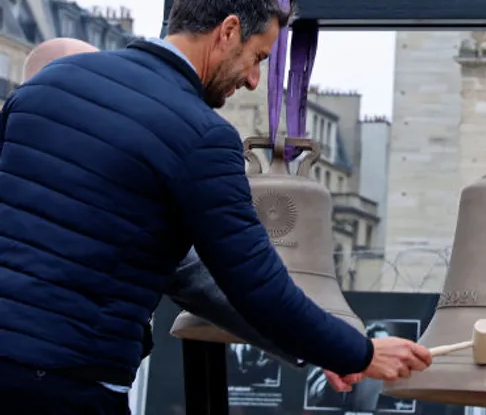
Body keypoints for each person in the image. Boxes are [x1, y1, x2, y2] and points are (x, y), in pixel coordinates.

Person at [0, 0, 431, 413]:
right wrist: (360, 352)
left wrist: (324, 347)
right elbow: (254, 282)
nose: (253, 80)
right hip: (69, 381)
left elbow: (186, 273)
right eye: (258, 57)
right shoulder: (202, 135)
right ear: (228, 32)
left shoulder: (48, 83)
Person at [21, 38, 331, 382]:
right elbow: (203, 278)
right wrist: (324, 344)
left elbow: (197, 277)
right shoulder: (118, 184)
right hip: (68, 376)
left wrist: (320, 345)